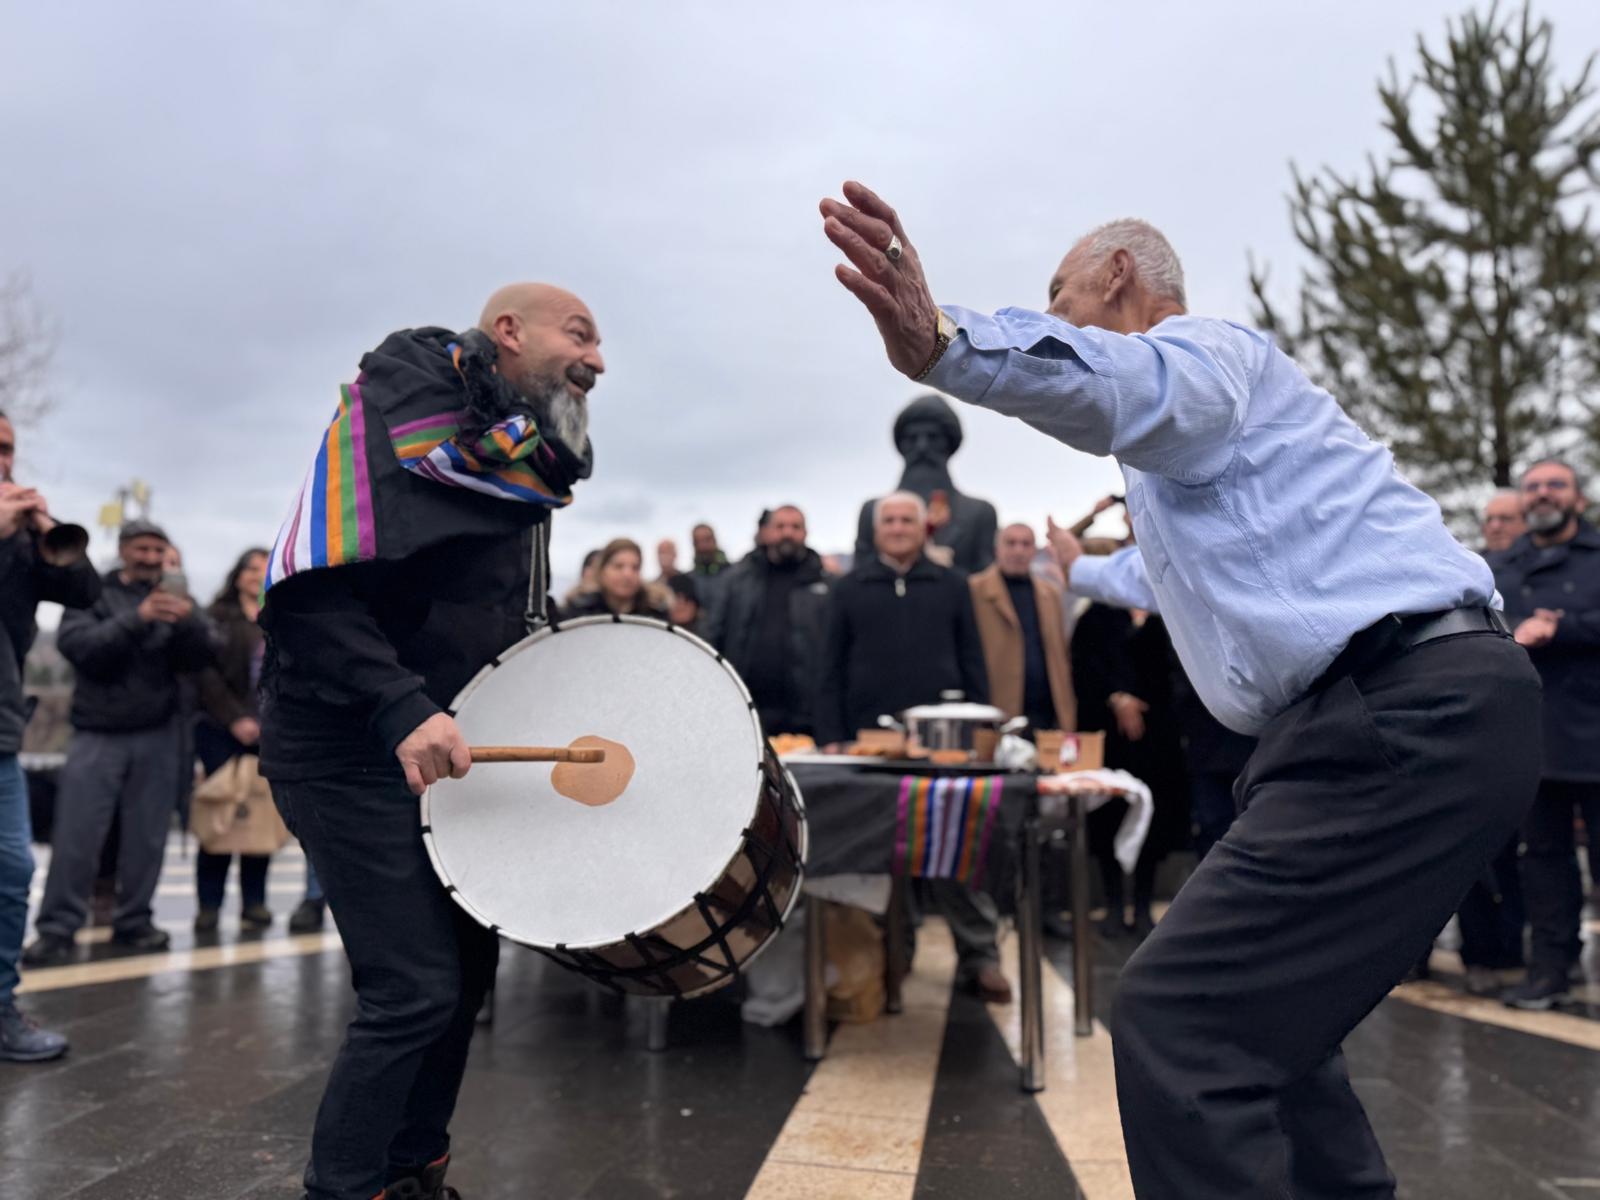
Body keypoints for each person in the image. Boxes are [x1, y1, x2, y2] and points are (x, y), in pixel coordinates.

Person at [821, 182, 1538, 1198]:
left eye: (1061, 291)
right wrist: (1074, 565)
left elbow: (1118, 381)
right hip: (1392, 714)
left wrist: (943, 342)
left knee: (1178, 1018)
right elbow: (1163, 576)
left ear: (1117, 278)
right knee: (1273, 1030)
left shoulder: (1207, 359)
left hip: (1403, 709)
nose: (1057, 311)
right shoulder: (1197, 467)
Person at [259, 282, 602, 1200]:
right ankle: (343, 1188)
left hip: (442, 752)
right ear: (507, 332)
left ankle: (411, 1173)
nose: (599, 360)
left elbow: (489, 616)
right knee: (412, 988)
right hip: (342, 745)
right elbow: (305, 592)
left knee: (466, 969)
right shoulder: (395, 416)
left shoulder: (518, 467)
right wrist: (399, 704)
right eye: (580, 334)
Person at [817, 492, 1009, 1002]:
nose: (899, 528)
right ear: (877, 530)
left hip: (943, 746)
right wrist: (832, 736)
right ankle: (891, 959)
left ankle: (980, 956)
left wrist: (984, 732)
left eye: (907, 520)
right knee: (882, 855)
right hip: (868, 743)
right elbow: (829, 668)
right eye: (890, 521)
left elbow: (972, 659)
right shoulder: (848, 588)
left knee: (957, 847)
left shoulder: (951, 586)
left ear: (924, 528)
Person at [23, 520, 217, 968]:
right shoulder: (94, 594)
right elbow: (80, 647)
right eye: (142, 549)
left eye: (158, 550)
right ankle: (56, 928)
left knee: (147, 838)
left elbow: (205, 655)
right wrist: (139, 618)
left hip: (160, 734)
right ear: (124, 550)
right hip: (97, 732)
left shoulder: (181, 600)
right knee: (76, 837)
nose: (150, 558)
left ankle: (135, 921)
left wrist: (185, 618)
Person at [0, 411, 98, 1060]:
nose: (4, 460)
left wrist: (43, 532)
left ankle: (1, 1008)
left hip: (1, 724)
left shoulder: (17, 537)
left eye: (7, 448)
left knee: (12, 870)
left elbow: (85, 591)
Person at [1492, 459, 1600, 1010]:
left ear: (1578, 499)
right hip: (1529, 741)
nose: (1541, 494)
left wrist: (1563, 628)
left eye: (1555, 484)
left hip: (1594, 736)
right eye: (1532, 487)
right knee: (1542, 863)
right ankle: (1550, 970)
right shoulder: (1499, 568)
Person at [193, 547, 273, 933]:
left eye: (264, 568)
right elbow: (204, 675)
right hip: (219, 730)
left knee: (258, 812)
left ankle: (254, 903)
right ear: (238, 574)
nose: (257, 575)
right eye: (250, 568)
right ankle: (209, 904)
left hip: (269, 733)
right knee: (220, 812)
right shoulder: (217, 618)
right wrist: (235, 718)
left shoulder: (280, 616)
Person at [707, 505, 833, 736]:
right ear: (766, 532)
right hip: (747, 709)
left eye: (795, 527)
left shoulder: (825, 583)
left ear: (805, 533)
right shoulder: (736, 581)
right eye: (780, 526)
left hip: (806, 715)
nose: (788, 533)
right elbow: (715, 635)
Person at [854, 393, 999, 573]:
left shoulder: (979, 513)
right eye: (912, 438)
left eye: (933, 437)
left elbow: (987, 584)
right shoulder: (871, 512)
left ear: (948, 443)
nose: (922, 447)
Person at [968, 523, 1076, 733]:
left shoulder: (1050, 593)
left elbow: (1059, 650)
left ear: (1034, 551)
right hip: (998, 708)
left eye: (1026, 544)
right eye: (1011, 543)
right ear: (997, 549)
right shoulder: (974, 590)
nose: (1019, 550)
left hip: (1045, 710)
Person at [558, 538, 666, 619]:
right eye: (618, 566)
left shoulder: (656, 613)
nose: (628, 574)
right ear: (602, 571)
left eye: (635, 568)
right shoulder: (578, 611)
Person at [1481, 488, 1526, 559]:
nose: (1495, 527)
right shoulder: (1472, 567)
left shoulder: (1546, 565)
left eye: (1505, 518)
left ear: (1527, 523)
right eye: (1489, 520)